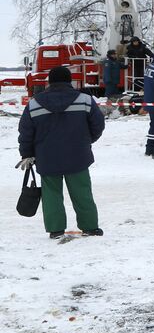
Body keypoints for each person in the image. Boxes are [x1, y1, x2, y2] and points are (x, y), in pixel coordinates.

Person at [18, 66, 105, 239]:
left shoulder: (34, 103)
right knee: (82, 192)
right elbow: (98, 125)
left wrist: (26, 153)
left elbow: (26, 132)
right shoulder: (85, 100)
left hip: (47, 157)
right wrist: (86, 141)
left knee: (51, 195)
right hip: (78, 155)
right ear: (69, 80)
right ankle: (90, 227)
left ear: (49, 81)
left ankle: (56, 229)